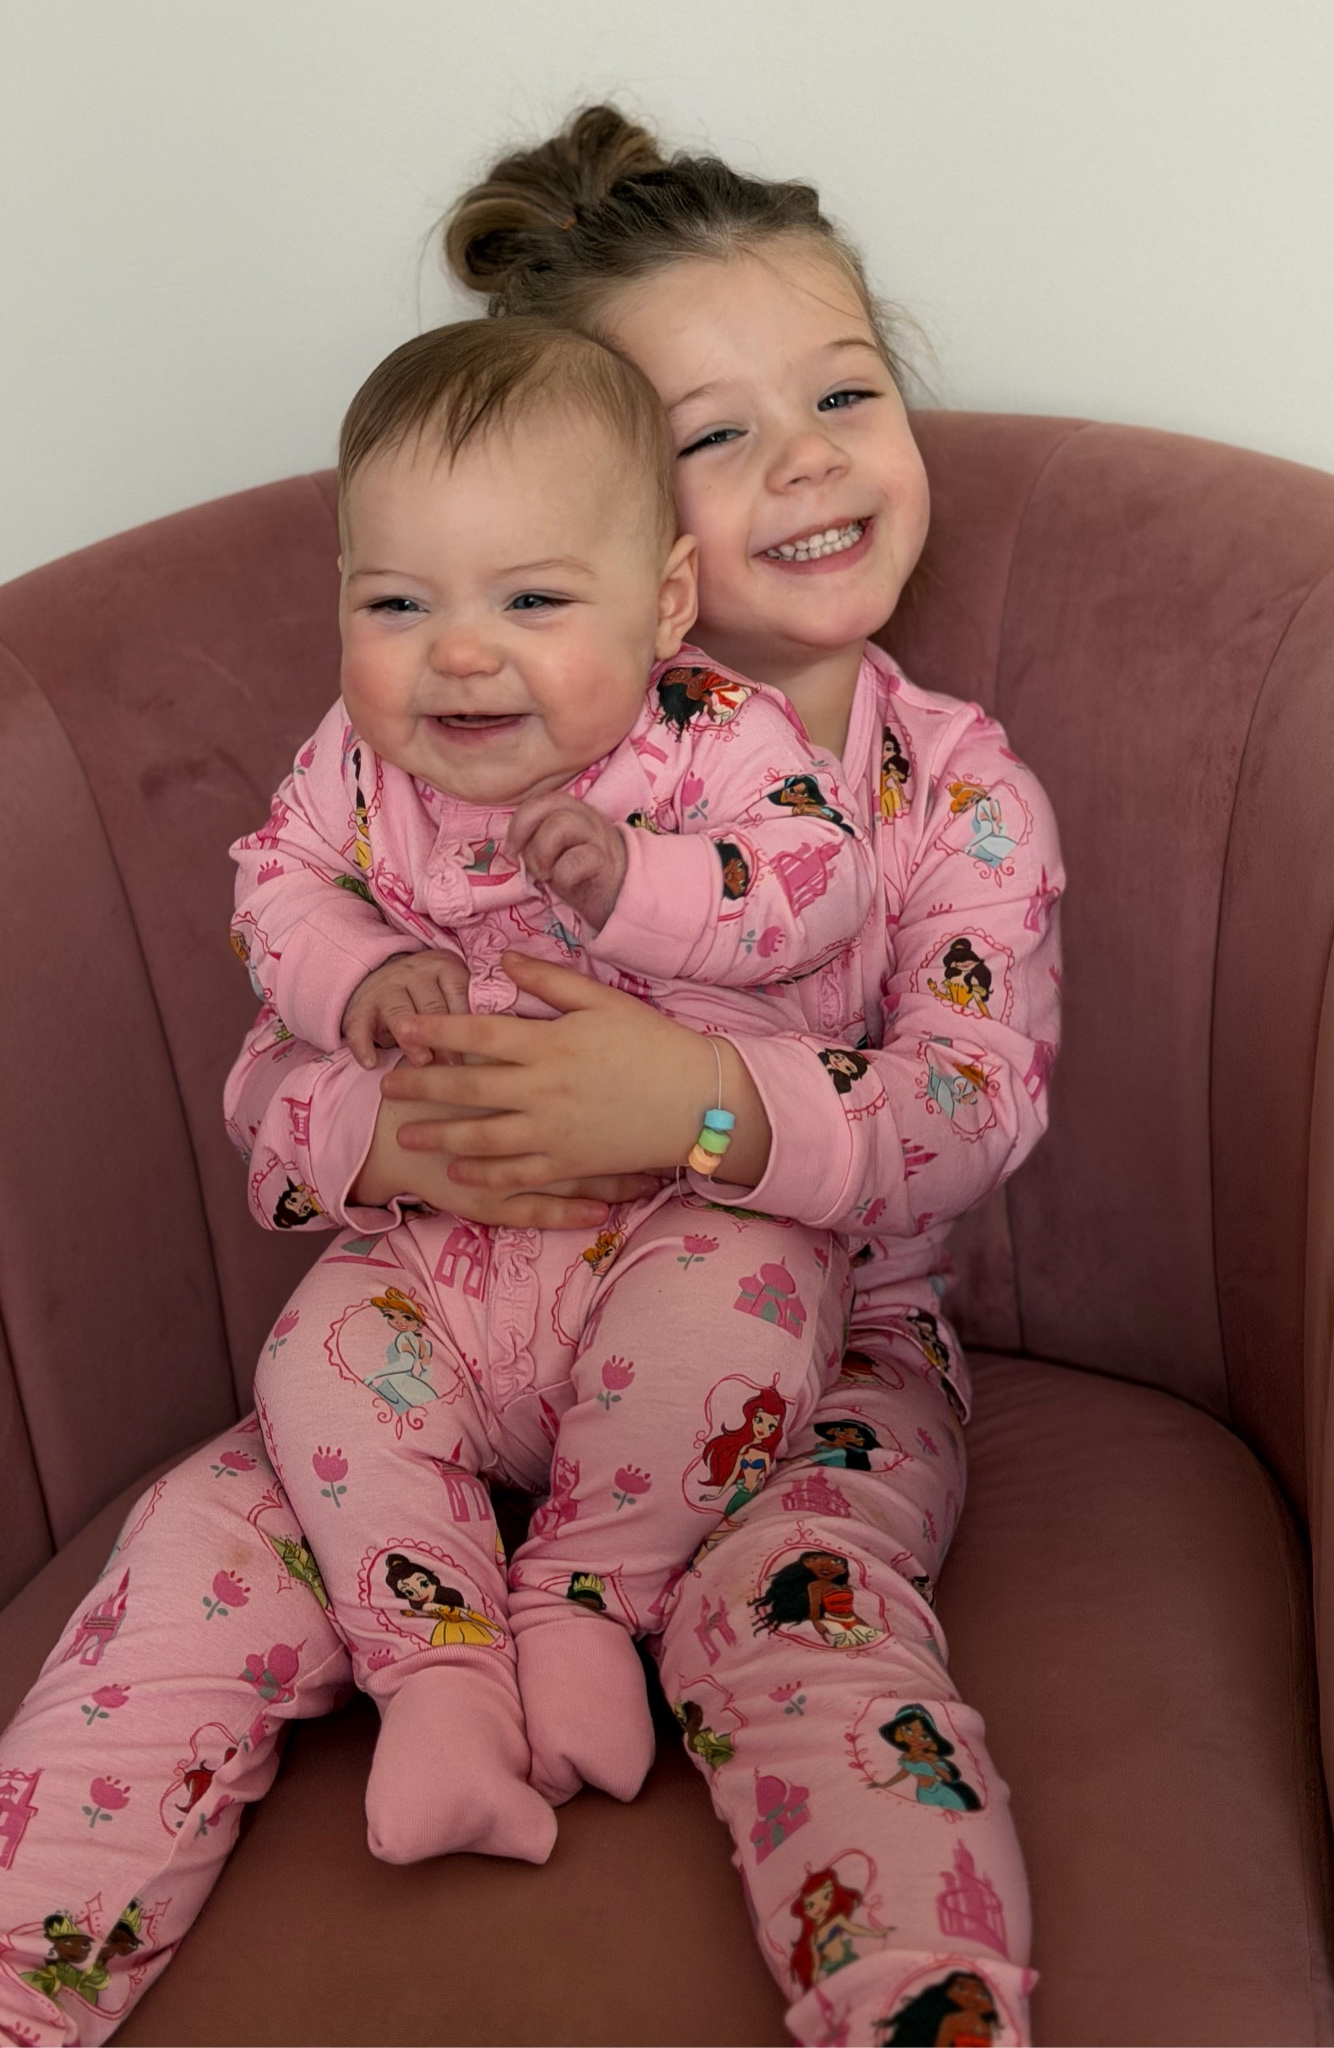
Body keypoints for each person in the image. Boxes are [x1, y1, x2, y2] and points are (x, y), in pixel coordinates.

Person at [0, 105, 1060, 2048]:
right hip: (453, 1319)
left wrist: (697, 1109)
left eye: (845, 390)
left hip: (814, 1355)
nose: (804, 457)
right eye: (710, 435)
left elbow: (972, 1112)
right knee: (194, 1555)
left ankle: (918, 2004)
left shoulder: (950, 792)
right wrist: (389, 1127)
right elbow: (277, 1092)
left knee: (806, 1621)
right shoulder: (432, 755)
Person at [236, 313, 872, 1865]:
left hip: (667, 1226)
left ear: (663, 603)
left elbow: (822, 877)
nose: (459, 652)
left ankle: (588, 1597)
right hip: (439, 1261)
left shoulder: (711, 739)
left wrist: (643, 888)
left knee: (749, 1315)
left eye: (531, 599)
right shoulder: (352, 769)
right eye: (398, 602)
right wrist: (354, 976)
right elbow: (275, 882)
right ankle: (437, 1675)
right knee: (315, 1369)